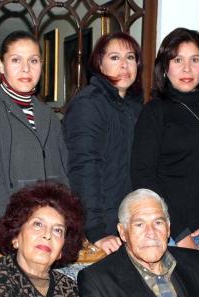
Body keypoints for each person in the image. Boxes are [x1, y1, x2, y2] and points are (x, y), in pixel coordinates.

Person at [131, 28, 199, 258]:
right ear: (165, 68)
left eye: (194, 60)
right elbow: (144, 177)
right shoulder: (154, 112)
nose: (186, 68)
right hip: (167, 234)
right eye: (177, 60)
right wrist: (180, 234)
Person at [0, 30, 69, 253]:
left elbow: (62, 179)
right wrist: (18, 228)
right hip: (4, 236)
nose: (26, 69)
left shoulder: (48, 115)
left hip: (47, 239)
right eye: (16, 60)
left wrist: (65, 225)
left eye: (33, 60)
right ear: (1, 65)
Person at [63, 32, 143, 255]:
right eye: (115, 58)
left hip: (127, 225)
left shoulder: (134, 107)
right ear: (100, 63)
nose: (125, 65)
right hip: (102, 231)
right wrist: (95, 230)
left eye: (130, 57)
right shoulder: (89, 103)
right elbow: (83, 168)